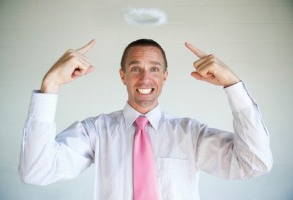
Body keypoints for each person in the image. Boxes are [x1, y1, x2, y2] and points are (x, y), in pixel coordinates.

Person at [19, 39, 273, 200]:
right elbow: (35, 172)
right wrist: (50, 85)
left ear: (165, 76)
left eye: (154, 68)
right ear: (123, 76)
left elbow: (255, 163)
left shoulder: (191, 134)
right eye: (135, 68)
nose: (144, 79)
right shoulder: (95, 131)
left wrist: (232, 84)